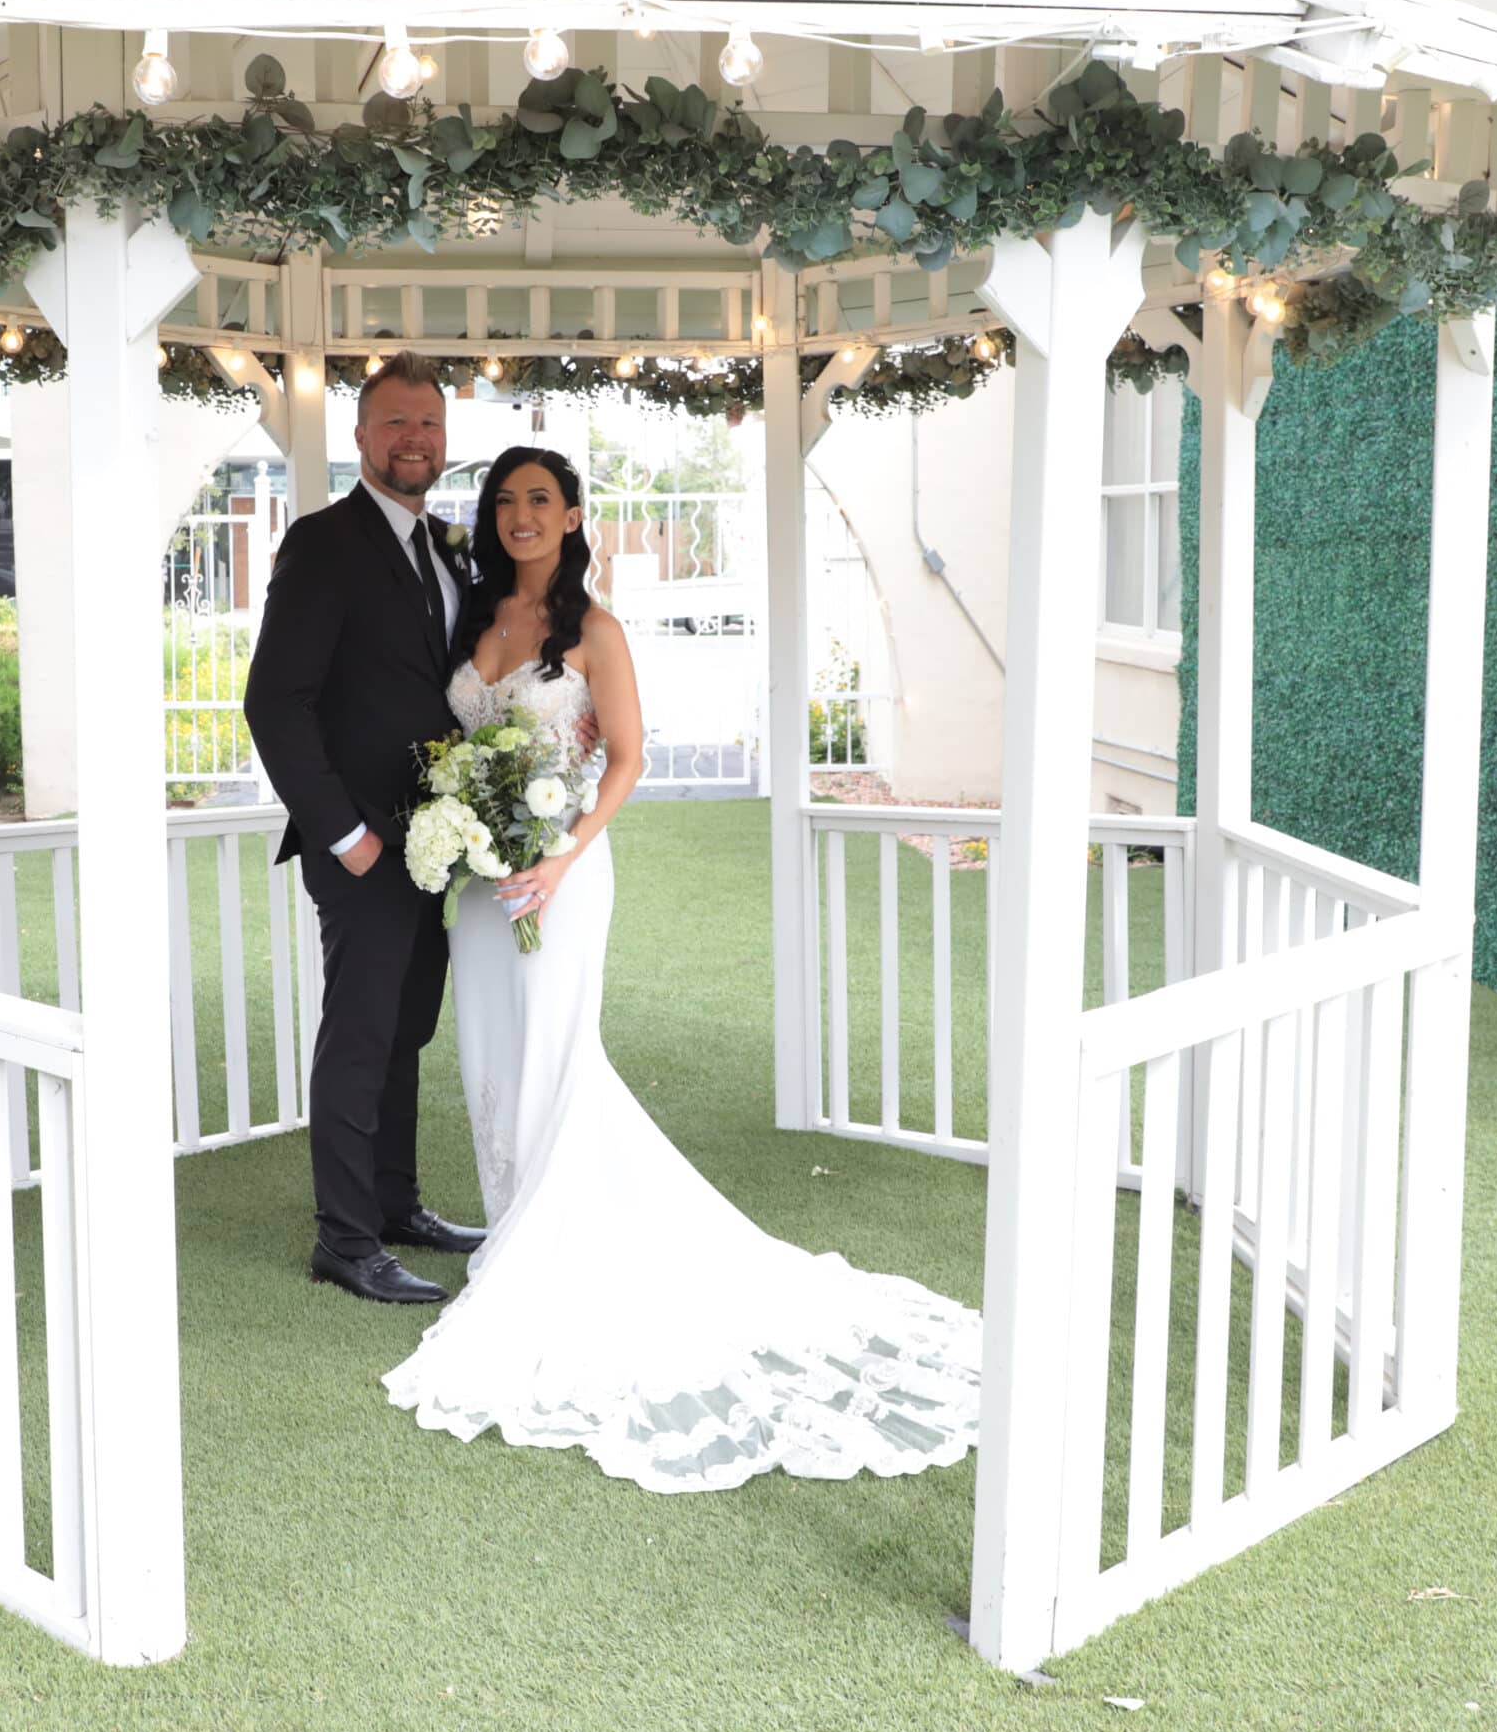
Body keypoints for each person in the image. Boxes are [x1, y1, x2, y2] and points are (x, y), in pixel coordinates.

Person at [380, 445, 987, 1493]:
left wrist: (563, 853)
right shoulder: (475, 624)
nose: (520, 516)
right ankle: (516, 1227)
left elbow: (626, 757)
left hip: (562, 873)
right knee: (491, 1054)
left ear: (572, 517)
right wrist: (465, 825)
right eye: (506, 501)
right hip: (482, 885)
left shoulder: (595, 632)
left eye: (540, 501)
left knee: (556, 1055)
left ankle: (543, 1260)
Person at [241, 353, 489, 1304]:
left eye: (426, 423)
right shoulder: (324, 542)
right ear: (361, 437)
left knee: (403, 1031)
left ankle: (395, 1203)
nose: (413, 439)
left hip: (436, 843)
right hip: (363, 845)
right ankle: (345, 1240)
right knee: (359, 1036)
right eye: (394, 423)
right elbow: (276, 703)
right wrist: (345, 836)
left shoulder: (444, 548)